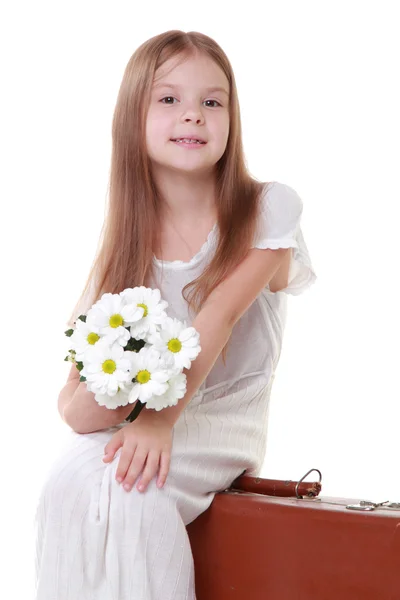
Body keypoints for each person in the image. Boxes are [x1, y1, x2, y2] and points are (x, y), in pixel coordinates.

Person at [34, 29, 317, 600]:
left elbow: (220, 316)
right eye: (169, 100)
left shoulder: (268, 207)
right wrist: (106, 385)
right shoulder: (125, 243)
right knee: (67, 481)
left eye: (212, 102)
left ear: (231, 119)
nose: (193, 116)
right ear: (132, 118)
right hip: (141, 418)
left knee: (133, 490)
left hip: (221, 414)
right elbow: (72, 405)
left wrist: (160, 421)